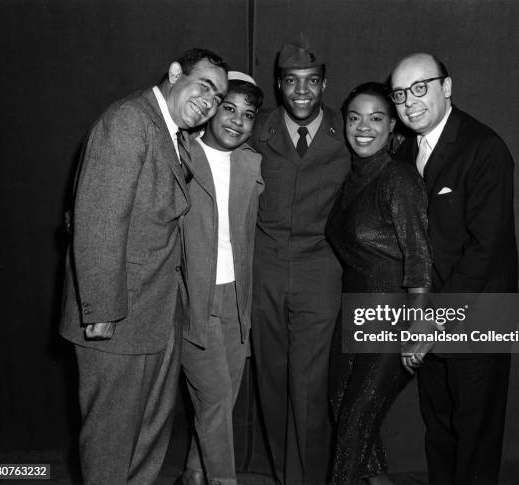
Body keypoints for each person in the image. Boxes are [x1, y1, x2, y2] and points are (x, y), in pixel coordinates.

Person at [59, 48, 228, 485]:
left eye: (217, 97)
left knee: (148, 435)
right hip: (116, 317)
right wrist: (98, 310)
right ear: (175, 73)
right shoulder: (130, 121)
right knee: (112, 442)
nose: (209, 102)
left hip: (153, 311)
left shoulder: (173, 134)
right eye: (205, 86)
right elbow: (97, 219)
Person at [390, 53, 519, 485]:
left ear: (447, 88)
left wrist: (431, 320)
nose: (409, 102)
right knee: (440, 431)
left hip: (478, 317)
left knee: (476, 437)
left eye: (420, 88)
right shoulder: (406, 148)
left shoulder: (484, 148)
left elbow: (484, 252)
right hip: (430, 317)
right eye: (400, 94)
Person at [249, 34, 351, 485]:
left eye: (311, 81)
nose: (302, 91)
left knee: (309, 387)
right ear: (279, 85)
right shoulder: (256, 130)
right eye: (292, 81)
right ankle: (280, 473)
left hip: (319, 267)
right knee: (271, 381)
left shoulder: (348, 130)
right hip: (264, 266)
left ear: (324, 84)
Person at [325, 82, 433, 485]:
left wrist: (419, 322)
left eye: (375, 118)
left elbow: (420, 255)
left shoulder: (399, 179)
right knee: (342, 405)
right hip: (355, 307)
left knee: (354, 423)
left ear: (393, 128)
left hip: (392, 312)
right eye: (354, 118)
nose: (363, 127)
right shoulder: (353, 179)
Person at [174, 72, 265, 485]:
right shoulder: (181, 155)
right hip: (193, 299)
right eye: (229, 109)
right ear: (212, 109)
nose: (237, 121)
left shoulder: (251, 163)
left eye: (247, 115)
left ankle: (194, 473)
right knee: (213, 401)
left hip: (237, 301)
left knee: (223, 402)